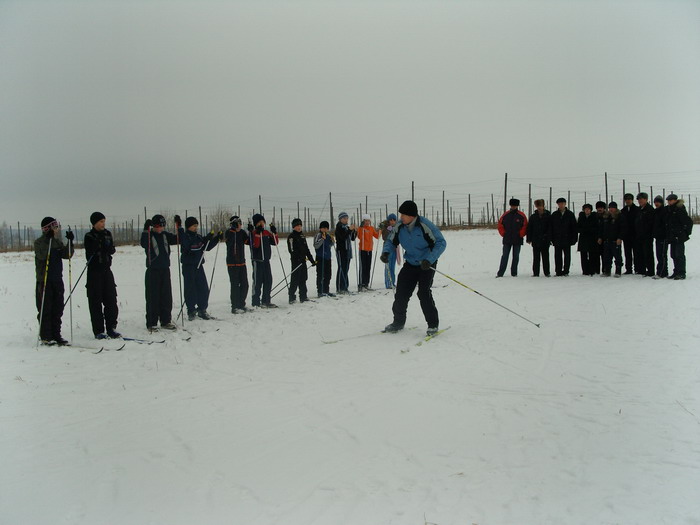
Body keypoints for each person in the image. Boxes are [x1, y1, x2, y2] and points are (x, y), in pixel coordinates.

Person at [380, 200, 447, 336]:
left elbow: (441, 242)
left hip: (426, 264)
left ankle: (433, 325)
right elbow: (391, 240)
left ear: (411, 215)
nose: (401, 217)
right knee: (401, 294)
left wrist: (430, 259)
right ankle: (398, 322)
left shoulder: (424, 225)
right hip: (410, 263)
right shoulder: (399, 226)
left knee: (423, 293)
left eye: (403, 214)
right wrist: (386, 252)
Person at [34, 217, 74, 345]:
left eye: (57, 227)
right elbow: (42, 255)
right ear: (47, 228)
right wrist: (48, 240)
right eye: (54, 227)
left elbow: (67, 255)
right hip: (45, 280)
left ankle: (56, 334)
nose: (57, 229)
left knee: (58, 308)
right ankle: (46, 336)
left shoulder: (57, 242)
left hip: (57, 280)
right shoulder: (39, 242)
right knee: (46, 308)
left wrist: (70, 242)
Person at [140, 214, 183, 331]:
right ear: (153, 226)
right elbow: (143, 243)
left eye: (162, 226)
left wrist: (179, 226)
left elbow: (179, 239)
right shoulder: (149, 235)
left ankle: (165, 320)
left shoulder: (165, 235)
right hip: (152, 270)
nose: (160, 228)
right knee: (153, 297)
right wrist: (145, 229)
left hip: (165, 269)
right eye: (158, 226)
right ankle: (151, 323)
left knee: (166, 296)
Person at [84, 212, 120, 339]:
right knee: (95, 302)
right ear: (94, 223)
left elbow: (112, 249)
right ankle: (99, 330)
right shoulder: (89, 236)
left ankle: (111, 327)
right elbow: (90, 251)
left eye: (104, 221)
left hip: (106, 271)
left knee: (111, 300)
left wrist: (108, 246)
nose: (103, 224)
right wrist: (99, 243)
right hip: (94, 272)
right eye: (100, 222)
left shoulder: (107, 234)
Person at [180, 216, 220, 320]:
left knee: (203, 288)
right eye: (194, 226)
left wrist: (215, 239)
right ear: (188, 227)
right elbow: (193, 247)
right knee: (190, 288)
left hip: (198, 265)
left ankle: (202, 309)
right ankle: (191, 310)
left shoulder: (198, 237)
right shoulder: (185, 237)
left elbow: (206, 247)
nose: (196, 227)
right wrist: (206, 239)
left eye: (196, 225)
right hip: (189, 266)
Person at [248, 213, 279, 307]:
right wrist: (257, 233)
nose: (262, 224)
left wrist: (274, 233)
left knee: (268, 280)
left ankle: (266, 300)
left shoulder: (266, 233)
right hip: (258, 261)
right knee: (257, 282)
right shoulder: (253, 233)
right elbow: (256, 245)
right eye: (259, 222)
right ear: (256, 224)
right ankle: (255, 302)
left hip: (266, 260)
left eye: (263, 222)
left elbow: (275, 242)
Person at [287, 218, 316, 303]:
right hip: (296, 262)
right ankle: (292, 297)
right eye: (297, 226)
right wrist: (298, 258)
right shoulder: (291, 237)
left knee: (303, 279)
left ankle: (303, 296)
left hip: (303, 261)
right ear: (293, 227)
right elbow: (291, 250)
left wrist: (311, 260)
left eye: (300, 226)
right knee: (295, 280)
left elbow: (306, 249)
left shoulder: (302, 236)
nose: (299, 227)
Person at [496, 198, 527, 278]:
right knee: (505, 256)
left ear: (517, 206)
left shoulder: (521, 215)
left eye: (515, 205)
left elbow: (525, 226)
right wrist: (504, 233)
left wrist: (520, 234)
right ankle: (500, 273)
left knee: (516, 256)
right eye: (512, 205)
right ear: (510, 205)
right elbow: (500, 225)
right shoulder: (505, 215)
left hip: (517, 239)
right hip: (507, 239)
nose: (514, 207)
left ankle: (514, 273)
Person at [665, 194, 693, 280]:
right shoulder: (670, 209)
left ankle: (681, 273)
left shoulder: (680, 209)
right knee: (673, 254)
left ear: (675, 200)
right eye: (668, 201)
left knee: (679, 254)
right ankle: (676, 271)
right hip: (672, 236)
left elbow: (688, 222)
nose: (669, 202)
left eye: (670, 200)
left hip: (679, 236)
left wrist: (684, 233)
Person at [225, 216, 250, 313]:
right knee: (235, 285)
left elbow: (248, 242)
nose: (240, 225)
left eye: (240, 223)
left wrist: (250, 232)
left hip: (241, 262)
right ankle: (234, 306)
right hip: (232, 263)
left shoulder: (242, 232)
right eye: (238, 223)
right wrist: (234, 230)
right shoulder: (229, 233)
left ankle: (241, 304)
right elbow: (229, 242)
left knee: (245, 284)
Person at [550, 197, 577, 276]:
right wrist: (551, 238)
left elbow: (574, 227)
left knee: (567, 256)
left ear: (565, 204)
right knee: (557, 256)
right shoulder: (554, 215)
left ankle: (566, 271)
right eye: (559, 204)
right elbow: (551, 227)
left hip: (567, 239)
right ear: (557, 205)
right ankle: (558, 271)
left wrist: (574, 238)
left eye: (562, 203)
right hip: (557, 238)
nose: (561, 205)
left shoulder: (570, 214)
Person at [598, 202, 625, 277]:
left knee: (617, 257)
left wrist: (620, 237)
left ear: (616, 208)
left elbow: (622, 228)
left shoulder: (619, 217)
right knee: (607, 257)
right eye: (610, 208)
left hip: (615, 241)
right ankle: (607, 271)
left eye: (612, 208)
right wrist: (600, 237)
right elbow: (602, 228)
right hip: (606, 240)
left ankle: (618, 271)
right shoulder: (606, 217)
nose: (611, 209)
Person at [526, 199, 551, 277]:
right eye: (538, 206)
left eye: (540, 206)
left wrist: (549, 238)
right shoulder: (533, 217)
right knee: (536, 258)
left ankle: (547, 272)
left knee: (545, 257)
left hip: (545, 240)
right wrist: (529, 239)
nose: (539, 208)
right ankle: (536, 273)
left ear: (543, 206)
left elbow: (551, 228)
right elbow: (529, 228)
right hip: (536, 240)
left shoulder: (548, 216)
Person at [334, 212, 357, 294]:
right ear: (340, 219)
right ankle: (340, 287)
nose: (346, 220)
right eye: (344, 218)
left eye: (347, 218)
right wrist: (349, 230)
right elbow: (342, 237)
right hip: (341, 251)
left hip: (348, 251)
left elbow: (352, 238)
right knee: (341, 268)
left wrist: (354, 231)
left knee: (346, 269)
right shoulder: (339, 227)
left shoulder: (347, 227)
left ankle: (345, 286)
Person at [635, 192, 655, 277]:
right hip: (639, 235)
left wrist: (646, 232)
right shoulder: (639, 209)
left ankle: (650, 270)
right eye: (639, 199)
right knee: (640, 253)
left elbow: (650, 223)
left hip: (647, 236)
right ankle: (642, 269)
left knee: (648, 253)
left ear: (646, 199)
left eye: (641, 199)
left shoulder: (650, 209)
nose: (640, 201)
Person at [357, 214, 379, 290]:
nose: (367, 222)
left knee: (368, 267)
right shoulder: (361, 228)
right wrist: (360, 227)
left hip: (369, 250)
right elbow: (359, 236)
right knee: (363, 267)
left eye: (368, 220)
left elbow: (377, 236)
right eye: (365, 221)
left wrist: (381, 229)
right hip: (362, 250)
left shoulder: (371, 228)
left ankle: (366, 283)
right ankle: (361, 284)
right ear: (363, 221)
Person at [313, 220, 335, 297]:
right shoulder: (318, 235)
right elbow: (316, 245)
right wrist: (322, 239)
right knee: (320, 275)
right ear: (320, 228)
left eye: (326, 228)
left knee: (328, 275)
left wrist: (332, 241)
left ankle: (326, 290)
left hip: (327, 257)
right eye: (323, 228)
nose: (325, 230)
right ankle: (320, 291)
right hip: (320, 257)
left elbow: (330, 245)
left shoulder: (328, 235)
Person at [378, 213, 399, 288]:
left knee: (392, 266)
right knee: (388, 266)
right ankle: (388, 283)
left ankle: (392, 282)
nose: (392, 222)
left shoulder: (396, 227)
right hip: (387, 248)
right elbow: (385, 237)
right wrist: (387, 229)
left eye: (394, 220)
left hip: (394, 248)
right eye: (391, 220)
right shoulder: (386, 227)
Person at [620, 193, 639, 274]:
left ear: (632, 200)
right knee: (627, 253)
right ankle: (628, 269)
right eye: (626, 199)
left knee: (636, 253)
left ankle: (637, 268)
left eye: (629, 199)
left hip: (635, 235)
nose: (627, 201)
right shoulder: (623, 211)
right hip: (626, 236)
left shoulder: (637, 209)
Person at [577, 204, 598, 275]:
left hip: (592, 239)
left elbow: (596, 227)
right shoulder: (581, 217)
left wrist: (589, 230)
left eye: (588, 209)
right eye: (585, 209)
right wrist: (583, 230)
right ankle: (585, 270)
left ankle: (592, 270)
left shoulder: (594, 217)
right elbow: (578, 227)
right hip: (583, 238)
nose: (587, 210)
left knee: (592, 255)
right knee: (583, 256)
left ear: (591, 210)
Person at [652, 196, 668, 279]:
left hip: (663, 236)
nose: (656, 203)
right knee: (659, 254)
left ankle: (662, 272)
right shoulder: (655, 212)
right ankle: (661, 271)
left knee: (662, 255)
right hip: (657, 237)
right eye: (655, 202)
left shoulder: (664, 211)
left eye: (658, 202)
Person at [593, 201, 607, 274]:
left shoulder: (607, 216)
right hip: (595, 239)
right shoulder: (594, 216)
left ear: (604, 208)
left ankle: (605, 269)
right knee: (596, 255)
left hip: (605, 239)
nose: (600, 209)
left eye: (601, 208)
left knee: (605, 255)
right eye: (598, 208)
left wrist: (601, 237)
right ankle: (596, 270)